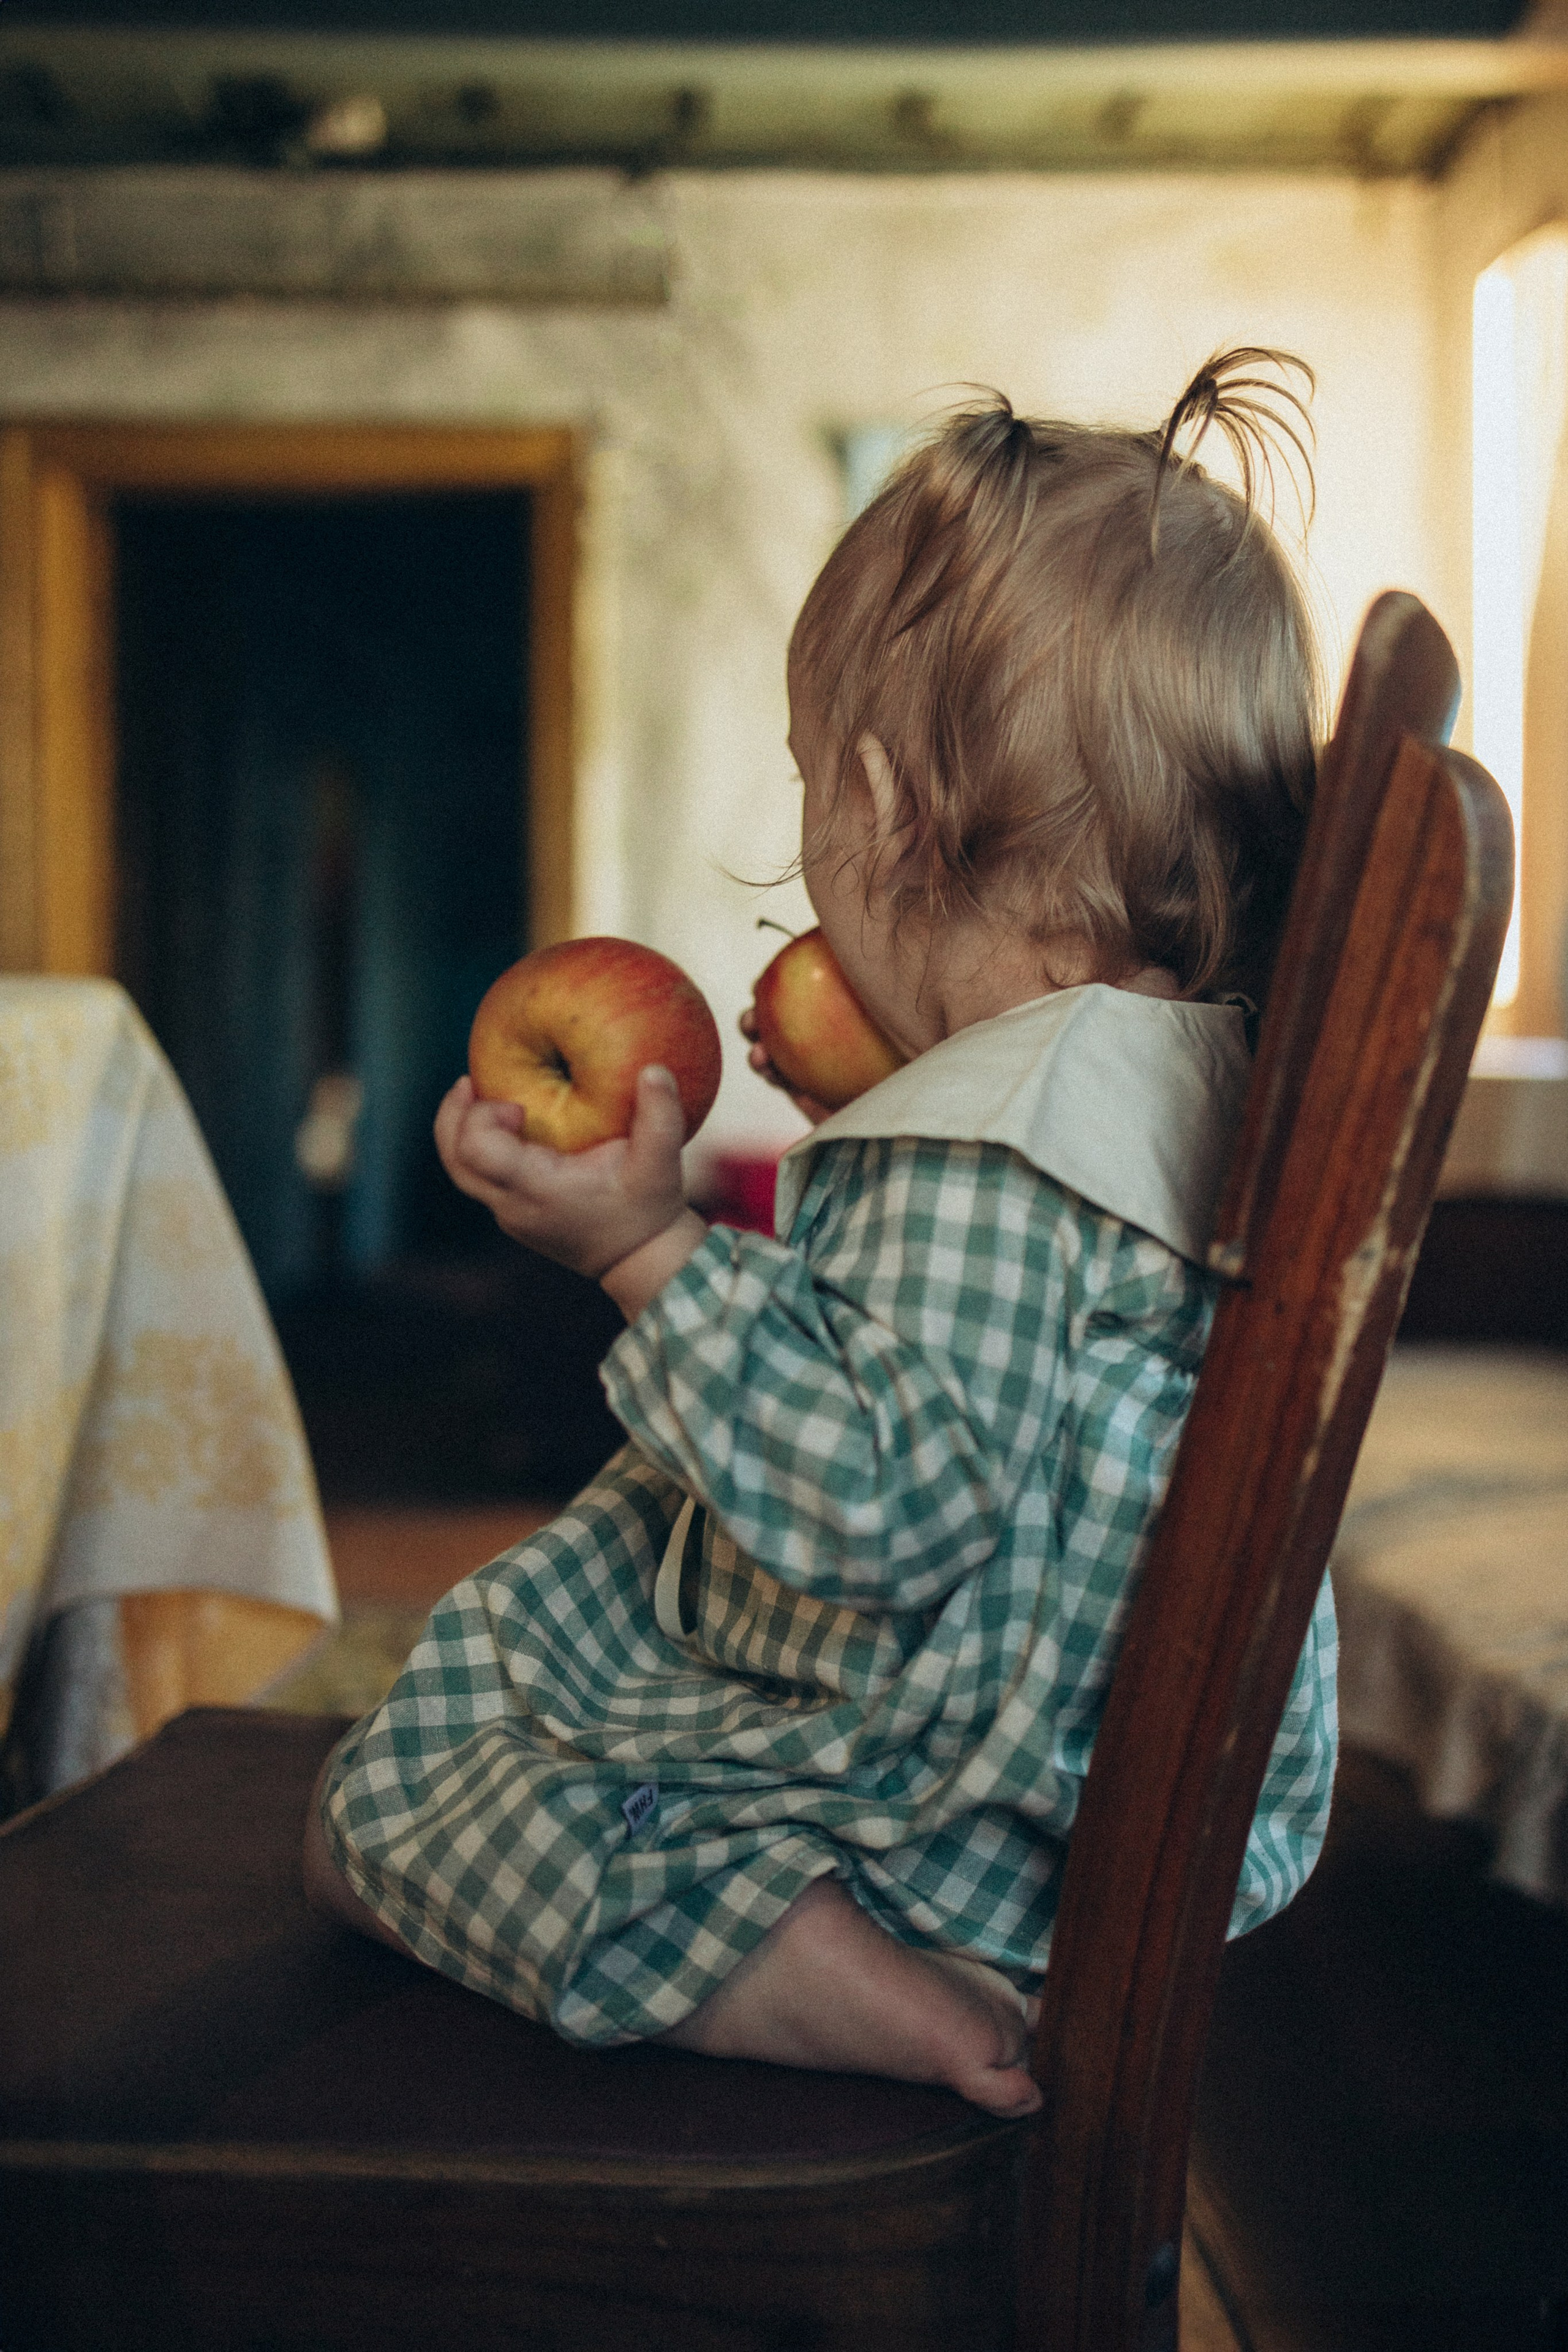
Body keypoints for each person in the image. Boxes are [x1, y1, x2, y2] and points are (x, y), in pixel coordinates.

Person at [303, 347, 1337, 2122]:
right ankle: (818, 1951)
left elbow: (880, 1500)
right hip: (1069, 1798)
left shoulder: (989, 1141)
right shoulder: (1154, 1087)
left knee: (389, 1800)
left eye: (802, 782)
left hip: (919, 1810)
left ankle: (800, 1969)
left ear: (878, 805)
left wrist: (642, 1252)